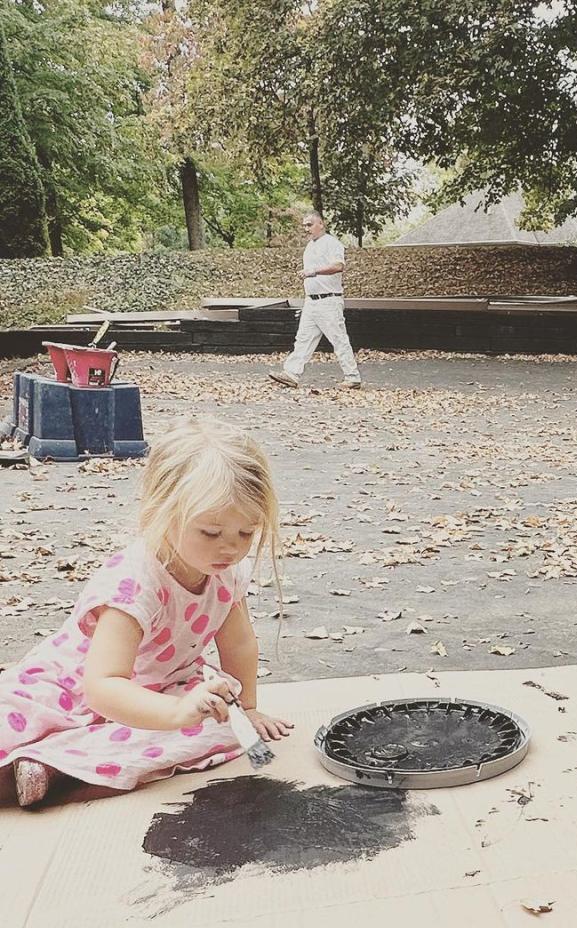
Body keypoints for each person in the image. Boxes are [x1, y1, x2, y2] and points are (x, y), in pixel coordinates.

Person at [0, 418, 293, 807]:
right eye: (211, 532)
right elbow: (103, 685)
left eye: (246, 533)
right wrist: (175, 713)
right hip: (69, 688)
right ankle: (49, 761)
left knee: (228, 727)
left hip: (162, 689)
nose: (231, 549)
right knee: (10, 725)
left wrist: (249, 709)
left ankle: (53, 769)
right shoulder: (136, 581)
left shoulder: (225, 574)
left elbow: (239, 644)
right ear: (162, 512)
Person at [269, 211, 362, 391]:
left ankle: (352, 376)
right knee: (303, 338)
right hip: (311, 301)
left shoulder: (332, 243)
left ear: (321, 224)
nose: (306, 229)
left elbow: (338, 266)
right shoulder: (310, 247)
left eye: (310, 224)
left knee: (338, 338)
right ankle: (291, 373)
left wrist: (314, 271)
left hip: (328, 300)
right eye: (304, 225)